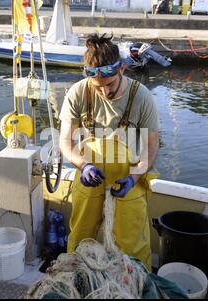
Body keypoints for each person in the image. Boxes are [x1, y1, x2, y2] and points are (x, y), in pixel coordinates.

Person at [58, 33, 159, 271]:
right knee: (82, 236)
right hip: (90, 176)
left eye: (110, 84)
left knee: (131, 244)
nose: (104, 92)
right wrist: (83, 166)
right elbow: (65, 141)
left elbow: (151, 147)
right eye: (98, 87)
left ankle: (133, 286)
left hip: (129, 179)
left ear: (122, 68)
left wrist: (134, 177)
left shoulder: (142, 97)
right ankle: (77, 279)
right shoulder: (78, 92)